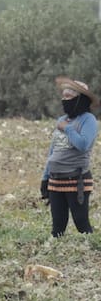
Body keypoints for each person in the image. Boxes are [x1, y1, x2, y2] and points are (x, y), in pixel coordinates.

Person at [40, 77, 98, 237]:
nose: (64, 100)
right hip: (55, 180)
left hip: (76, 180)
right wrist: (45, 177)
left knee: (81, 223)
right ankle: (53, 253)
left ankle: (92, 251)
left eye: (68, 97)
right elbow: (54, 151)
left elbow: (84, 144)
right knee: (57, 225)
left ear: (80, 100)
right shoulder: (61, 120)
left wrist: (68, 129)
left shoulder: (89, 120)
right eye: (63, 96)